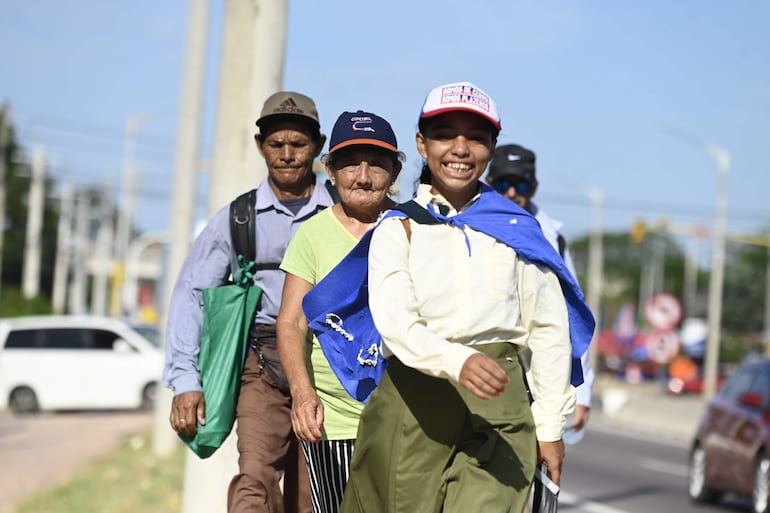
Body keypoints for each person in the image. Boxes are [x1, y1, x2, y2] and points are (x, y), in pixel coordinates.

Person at [339, 81, 594, 513]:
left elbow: (548, 331)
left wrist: (550, 426)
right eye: (444, 135)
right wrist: (457, 361)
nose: (460, 148)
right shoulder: (397, 227)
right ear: (422, 144)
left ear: (493, 147)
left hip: (501, 402)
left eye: (476, 137)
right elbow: (396, 321)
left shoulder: (516, 230)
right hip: (415, 400)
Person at [163, 91, 334, 513]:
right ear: (261, 146)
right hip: (261, 365)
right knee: (254, 478)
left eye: (299, 144)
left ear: (318, 145)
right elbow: (192, 293)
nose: (287, 155)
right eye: (276, 144)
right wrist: (186, 380)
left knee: (313, 494)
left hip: (328, 365)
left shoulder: (342, 212)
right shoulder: (238, 218)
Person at [276, 110, 403, 513]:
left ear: (395, 170)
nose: (363, 176)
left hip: (406, 415)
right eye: (350, 163)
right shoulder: (312, 235)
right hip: (335, 419)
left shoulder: (415, 228)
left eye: (376, 164)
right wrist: (302, 394)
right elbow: (291, 322)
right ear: (329, 170)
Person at [486, 143, 596, 435]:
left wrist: (582, 391)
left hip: (535, 381)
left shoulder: (553, 239)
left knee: (536, 474)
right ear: (488, 183)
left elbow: (572, 317)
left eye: (519, 184)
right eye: (502, 184)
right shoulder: (466, 225)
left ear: (533, 187)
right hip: (481, 373)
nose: (511, 192)